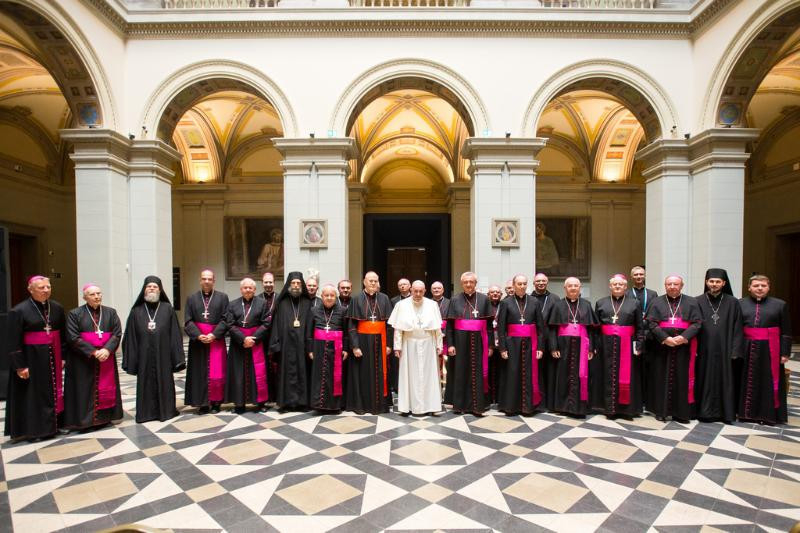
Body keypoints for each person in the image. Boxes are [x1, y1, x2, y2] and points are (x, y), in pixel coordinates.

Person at [4, 276, 67, 441]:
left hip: (53, 356)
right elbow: (13, 341)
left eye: (48, 287)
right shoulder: (18, 311)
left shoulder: (57, 308)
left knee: (54, 391)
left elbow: (63, 335)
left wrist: (63, 356)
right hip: (31, 359)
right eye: (41, 287)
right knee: (33, 395)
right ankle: (35, 430)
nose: (46, 290)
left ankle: (55, 425)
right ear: (30, 289)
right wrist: (20, 366)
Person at [122, 276, 185, 423]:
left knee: (165, 381)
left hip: (164, 355)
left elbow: (175, 334)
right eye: (149, 286)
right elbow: (131, 337)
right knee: (145, 382)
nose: (152, 288)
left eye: (155, 287)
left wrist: (176, 357)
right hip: (143, 356)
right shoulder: (136, 311)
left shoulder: (167, 309)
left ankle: (166, 411)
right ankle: (145, 414)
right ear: (144, 290)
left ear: (160, 290)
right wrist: (132, 359)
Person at [64, 283, 124, 431]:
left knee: (106, 386)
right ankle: (85, 421)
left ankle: (105, 418)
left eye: (99, 293)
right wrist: (93, 352)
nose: (97, 297)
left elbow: (117, 334)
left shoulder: (110, 312)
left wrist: (107, 350)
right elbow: (73, 337)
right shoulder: (75, 314)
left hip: (106, 357)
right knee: (84, 389)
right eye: (92, 294)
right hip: (83, 360)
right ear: (85, 297)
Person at [645, 275, 702, 423]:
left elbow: (697, 323)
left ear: (681, 285)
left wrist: (684, 337)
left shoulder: (692, 302)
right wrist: (665, 338)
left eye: (675, 284)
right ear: (665, 286)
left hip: (684, 348)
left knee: (682, 379)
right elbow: (651, 323)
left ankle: (681, 413)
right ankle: (660, 411)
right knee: (660, 378)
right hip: (661, 348)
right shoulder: (656, 302)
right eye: (669, 284)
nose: (672, 286)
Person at [739, 275, 791, 425]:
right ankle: (746, 414)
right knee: (746, 380)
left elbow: (786, 331)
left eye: (763, 285)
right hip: (747, 347)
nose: (760, 288)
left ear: (769, 287)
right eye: (756, 285)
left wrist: (785, 352)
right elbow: (736, 328)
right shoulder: (740, 304)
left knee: (768, 381)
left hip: (771, 349)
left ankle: (768, 415)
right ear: (749, 287)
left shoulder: (780, 304)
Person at [694, 268, 743, 423]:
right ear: (706, 282)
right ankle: (703, 412)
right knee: (703, 378)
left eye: (717, 281)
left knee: (725, 380)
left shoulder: (733, 302)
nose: (714, 284)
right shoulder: (697, 301)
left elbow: (738, 327)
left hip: (725, 349)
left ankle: (725, 413)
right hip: (704, 349)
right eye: (711, 281)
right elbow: (693, 326)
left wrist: (735, 350)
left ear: (724, 283)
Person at [594, 274, 645, 419]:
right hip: (605, 346)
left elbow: (640, 327)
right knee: (606, 375)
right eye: (614, 284)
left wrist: (639, 345)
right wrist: (595, 345)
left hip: (627, 345)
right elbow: (596, 327)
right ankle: (608, 408)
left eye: (620, 284)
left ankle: (626, 409)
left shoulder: (634, 303)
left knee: (627, 376)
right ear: (610, 286)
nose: (617, 286)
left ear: (625, 287)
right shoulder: (601, 302)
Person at [390, 280, 443, 416]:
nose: (418, 294)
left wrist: (439, 345)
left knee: (430, 376)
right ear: (411, 290)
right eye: (415, 291)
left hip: (428, 344)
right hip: (408, 344)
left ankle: (431, 406)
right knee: (409, 376)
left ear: (425, 291)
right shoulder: (401, 305)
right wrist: (397, 347)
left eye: (421, 291)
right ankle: (408, 406)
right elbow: (398, 329)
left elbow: (437, 328)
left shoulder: (432, 305)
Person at [548, 277, 599, 417]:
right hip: (563, 346)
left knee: (581, 375)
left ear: (579, 287)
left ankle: (580, 406)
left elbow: (591, 329)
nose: (573, 288)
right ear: (565, 288)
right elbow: (552, 329)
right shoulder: (558, 305)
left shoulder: (586, 305)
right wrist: (553, 347)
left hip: (582, 345)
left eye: (576, 285)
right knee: (563, 375)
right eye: (570, 286)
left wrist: (591, 348)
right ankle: (563, 406)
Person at [496, 275, 546, 416]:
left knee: (530, 375)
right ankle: (511, 406)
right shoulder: (506, 302)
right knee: (512, 374)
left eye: (524, 284)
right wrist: (503, 348)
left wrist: (540, 347)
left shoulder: (534, 301)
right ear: (514, 285)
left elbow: (540, 327)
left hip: (531, 343)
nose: (522, 286)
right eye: (519, 284)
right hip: (512, 344)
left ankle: (529, 406)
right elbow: (501, 327)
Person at [446, 271, 493, 416]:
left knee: (478, 372)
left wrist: (490, 345)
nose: (468, 284)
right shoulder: (455, 300)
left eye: (471, 282)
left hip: (480, 342)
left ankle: (478, 406)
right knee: (460, 372)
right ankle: (460, 405)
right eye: (465, 282)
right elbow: (450, 325)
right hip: (460, 343)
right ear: (462, 284)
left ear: (475, 283)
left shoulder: (484, 299)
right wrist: (451, 344)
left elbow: (489, 326)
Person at [346, 271, 394, 414]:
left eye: (375, 281)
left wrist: (389, 344)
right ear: (364, 282)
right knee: (363, 374)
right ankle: (363, 405)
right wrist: (355, 346)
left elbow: (390, 325)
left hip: (381, 340)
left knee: (380, 373)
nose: (373, 283)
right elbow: (352, 325)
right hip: (362, 342)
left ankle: (380, 405)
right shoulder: (356, 299)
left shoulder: (384, 298)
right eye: (370, 280)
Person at [184, 270, 229, 414]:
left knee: (217, 372)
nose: (207, 281)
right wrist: (198, 335)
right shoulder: (192, 298)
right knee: (199, 372)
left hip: (216, 341)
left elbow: (226, 319)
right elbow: (188, 321)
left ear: (214, 281)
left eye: (209, 279)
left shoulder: (222, 298)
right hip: (198, 343)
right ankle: (202, 403)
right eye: (204, 279)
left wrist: (214, 335)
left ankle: (216, 402)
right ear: (200, 280)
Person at [269, 271, 313, 411]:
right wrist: (275, 344)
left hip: (302, 345)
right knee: (286, 373)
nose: (295, 286)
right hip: (285, 345)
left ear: (302, 285)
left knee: (302, 372)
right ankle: (286, 402)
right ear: (289, 284)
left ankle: (302, 403)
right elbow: (275, 324)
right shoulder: (281, 303)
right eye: (293, 283)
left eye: (298, 283)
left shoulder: (307, 303)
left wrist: (310, 346)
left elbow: (311, 326)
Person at [225, 278, 270, 413]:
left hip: (256, 343)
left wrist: (253, 338)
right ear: (241, 289)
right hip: (238, 344)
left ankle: (260, 403)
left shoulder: (262, 303)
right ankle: (239, 404)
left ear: (255, 290)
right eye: (245, 287)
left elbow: (266, 323)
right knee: (238, 374)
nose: (248, 290)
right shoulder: (232, 304)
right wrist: (243, 339)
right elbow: (230, 324)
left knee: (258, 373)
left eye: (251, 288)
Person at [306, 284, 349, 412]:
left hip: (337, 347)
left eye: (332, 295)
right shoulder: (314, 310)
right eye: (326, 295)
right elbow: (309, 332)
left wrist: (346, 348)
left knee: (335, 377)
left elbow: (346, 332)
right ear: (322, 296)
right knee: (319, 377)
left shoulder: (342, 311)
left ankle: (335, 405)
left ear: (336, 297)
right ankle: (319, 405)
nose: (329, 298)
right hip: (318, 348)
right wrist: (310, 349)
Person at [531, 272, 561, 411]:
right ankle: (537, 401)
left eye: (543, 281)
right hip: (534, 339)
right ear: (534, 283)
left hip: (550, 339)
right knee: (536, 371)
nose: (541, 283)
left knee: (550, 371)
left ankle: (550, 403)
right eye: (538, 281)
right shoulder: (529, 298)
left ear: (547, 282)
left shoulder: (555, 298)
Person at [389, 278, 411, 395]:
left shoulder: (415, 299)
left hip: (411, 334)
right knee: (396, 360)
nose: (402, 286)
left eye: (405, 284)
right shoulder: (393, 301)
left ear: (410, 286)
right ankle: (396, 385)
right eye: (400, 285)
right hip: (398, 333)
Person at [259, 271, 278, 403]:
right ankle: (265, 396)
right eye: (266, 282)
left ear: (274, 283)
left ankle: (276, 396)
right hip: (262, 338)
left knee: (276, 367)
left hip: (276, 337)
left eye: (270, 282)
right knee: (264, 367)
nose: (268, 284)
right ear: (262, 283)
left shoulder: (280, 298)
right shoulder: (257, 299)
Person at [431, 281, 450, 395]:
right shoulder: (427, 303)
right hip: (431, 337)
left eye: (438, 288)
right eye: (434, 288)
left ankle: (445, 389)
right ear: (431, 290)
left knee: (445, 363)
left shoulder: (449, 302)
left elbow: (451, 321)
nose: (436, 290)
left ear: (443, 290)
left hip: (446, 338)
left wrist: (444, 333)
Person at [487, 284, 504, 404]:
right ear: (488, 294)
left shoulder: (505, 305)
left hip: (502, 342)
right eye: (492, 292)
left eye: (497, 292)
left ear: (501, 295)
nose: (495, 294)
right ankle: (489, 397)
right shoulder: (484, 306)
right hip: (488, 343)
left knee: (501, 371)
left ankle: (499, 397)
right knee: (488, 370)